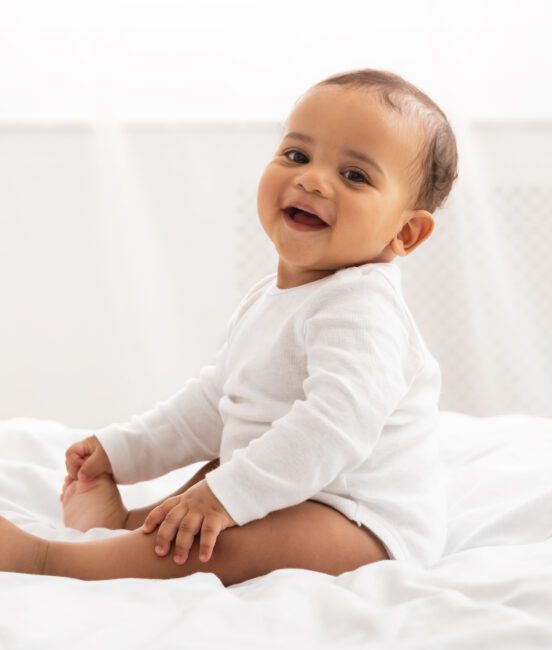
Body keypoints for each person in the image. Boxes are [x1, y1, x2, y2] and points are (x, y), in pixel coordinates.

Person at [0, 67, 458, 586]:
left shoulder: (364, 311)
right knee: (216, 479)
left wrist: (224, 496)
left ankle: (46, 561)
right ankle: (127, 531)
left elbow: (332, 428)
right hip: (296, 486)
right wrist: (123, 450)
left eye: (354, 175)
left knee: (225, 523)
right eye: (297, 155)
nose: (311, 178)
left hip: (361, 520)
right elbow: (215, 404)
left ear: (406, 231)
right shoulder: (273, 298)